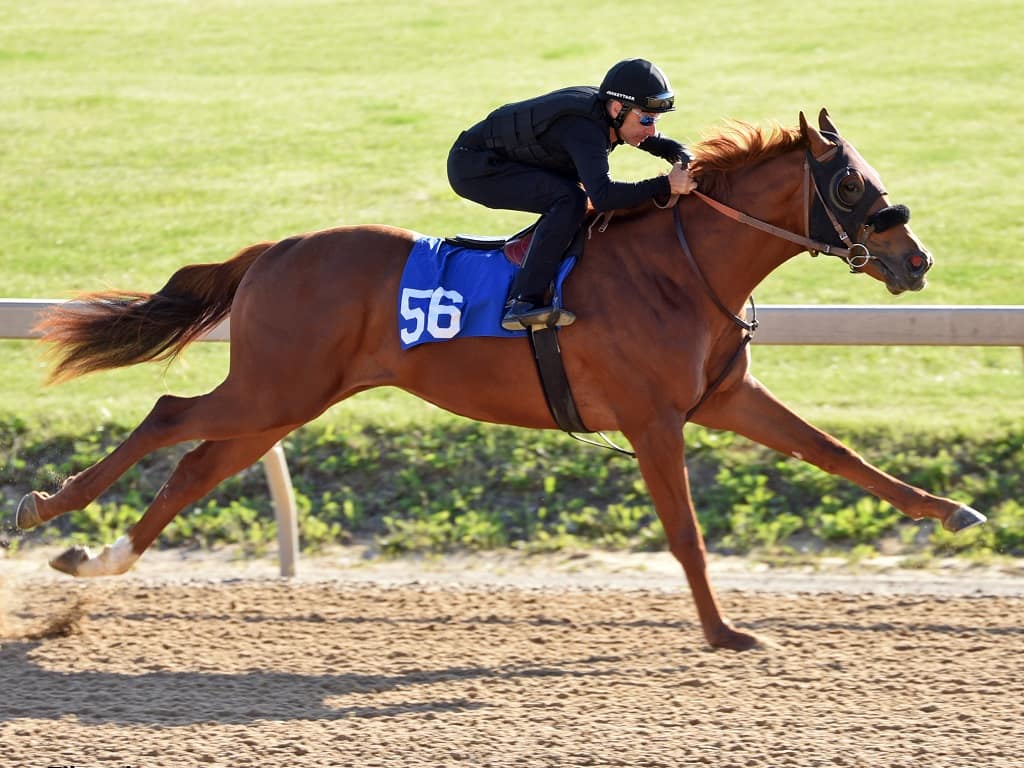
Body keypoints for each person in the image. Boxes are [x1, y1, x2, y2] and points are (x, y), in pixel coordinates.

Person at [447, 58, 698, 331]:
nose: (651, 129)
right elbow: (604, 195)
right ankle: (522, 303)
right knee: (569, 199)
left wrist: (680, 152)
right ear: (617, 108)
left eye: (656, 120)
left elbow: (646, 138)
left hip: (501, 158)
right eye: (647, 119)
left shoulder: (608, 113)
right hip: (474, 168)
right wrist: (666, 185)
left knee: (571, 194)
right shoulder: (584, 129)